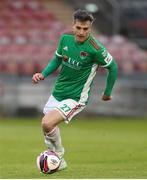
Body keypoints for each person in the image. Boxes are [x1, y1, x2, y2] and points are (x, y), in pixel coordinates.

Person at [32, 9, 118, 172]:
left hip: (76, 97)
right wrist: (42, 74)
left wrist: (107, 93)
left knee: (47, 122)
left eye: (85, 29)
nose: (81, 32)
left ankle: (58, 155)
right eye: (78, 28)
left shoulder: (95, 49)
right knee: (47, 127)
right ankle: (58, 160)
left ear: (90, 28)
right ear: (73, 25)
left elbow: (113, 67)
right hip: (58, 92)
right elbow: (57, 58)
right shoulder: (65, 39)